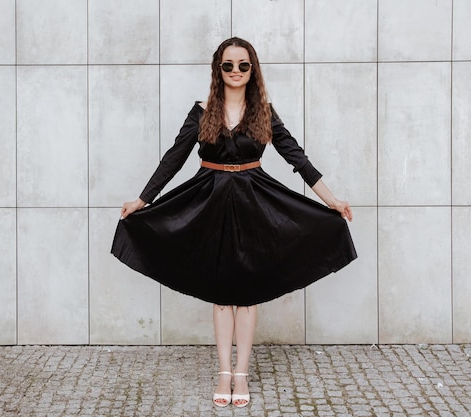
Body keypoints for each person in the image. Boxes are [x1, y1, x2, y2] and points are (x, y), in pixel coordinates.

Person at [111, 37, 357, 408]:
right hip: (208, 201)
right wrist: (142, 200)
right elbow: (173, 159)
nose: (237, 71)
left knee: (247, 290)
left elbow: (298, 159)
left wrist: (332, 200)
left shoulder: (264, 112)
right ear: (218, 69)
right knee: (222, 291)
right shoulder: (202, 110)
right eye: (229, 65)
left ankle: (241, 373)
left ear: (253, 69)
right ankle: (224, 371)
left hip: (253, 200)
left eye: (244, 65)